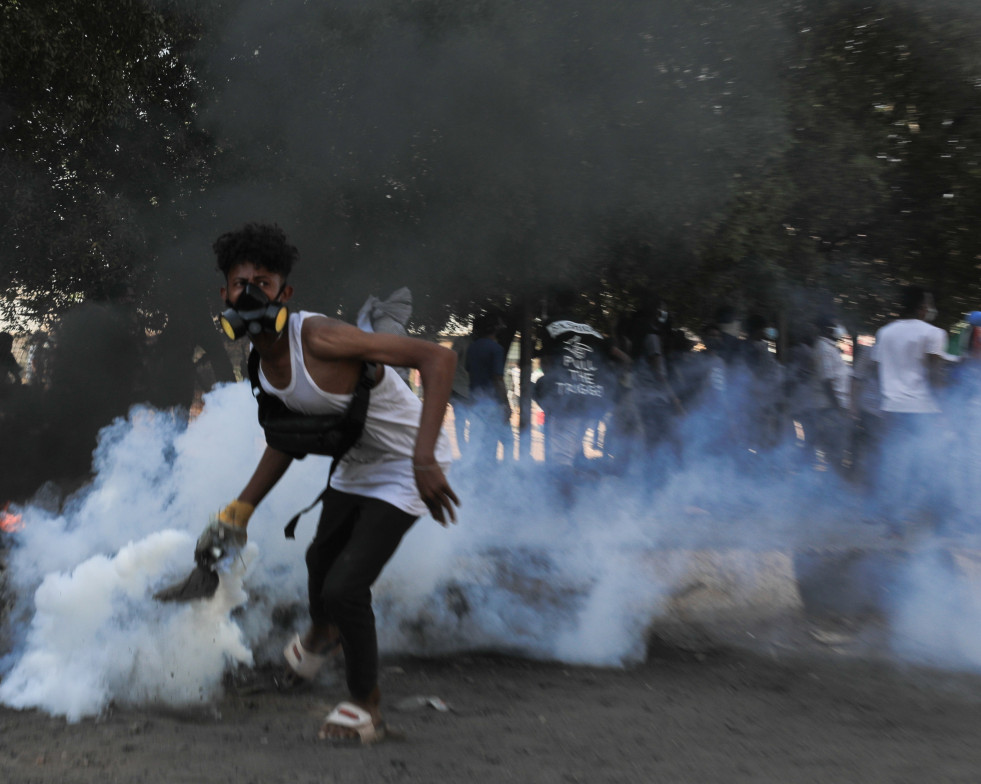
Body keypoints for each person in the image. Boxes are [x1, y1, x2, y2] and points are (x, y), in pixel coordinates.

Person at [201, 222, 459, 744]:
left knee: (344, 586)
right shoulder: (259, 363)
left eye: (264, 283)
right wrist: (240, 510)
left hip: (408, 464)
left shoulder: (317, 336)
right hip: (359, 461)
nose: (249, 293)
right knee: (319, 560)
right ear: (225, 293)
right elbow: (286, 438)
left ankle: (366, 708)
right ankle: (322, 638)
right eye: (239, 282)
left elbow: (439, 357)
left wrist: (426, 457)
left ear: (284, 293)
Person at [871, 286, 954, 531]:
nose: (930, 309)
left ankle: (893, 520)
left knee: (894, 463)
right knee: (929, 462)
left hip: (891, 408)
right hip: (922, 409)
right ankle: (934, 522)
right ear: (921, 307)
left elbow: (877, 372)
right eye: (928, 304)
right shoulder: (934, 333)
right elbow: (934, 374)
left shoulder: (884, 332)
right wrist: (945, 410)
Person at [464, 311, 512, 465]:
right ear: (496, 328)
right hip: (493, 403)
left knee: (478, 441)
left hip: (475, 401)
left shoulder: (472, 348)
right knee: (500, 441)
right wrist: (506, 404)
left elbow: (468, 370)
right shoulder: (496, 349)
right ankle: (499, 475)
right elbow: (498, 378)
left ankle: (477, 476)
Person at [812, 315, 852, 474]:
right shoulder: (823, 347)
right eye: (837, 325)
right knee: (834, 448)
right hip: (830, 408)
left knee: (838, 448)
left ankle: (834, 485)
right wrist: (838, 408)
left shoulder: (830, 347)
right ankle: (831, 486)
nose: (839, 328)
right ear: (829, 329)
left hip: (834, 406)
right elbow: (826, 381)